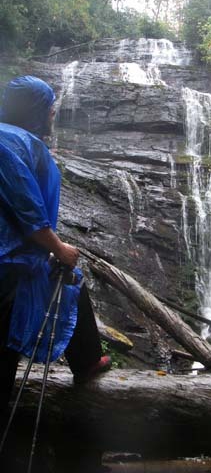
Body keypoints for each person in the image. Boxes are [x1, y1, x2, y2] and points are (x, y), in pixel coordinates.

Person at [0, 75, 111, 413]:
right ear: (32, 108)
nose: (52, 115)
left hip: (13, 260)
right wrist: (58, 247)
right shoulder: (11, 141)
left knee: (68, 279)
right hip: (8, 265)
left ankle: (88, 360)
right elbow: (24, 204)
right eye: (49, 108)